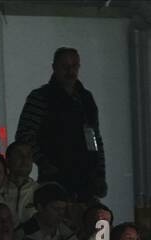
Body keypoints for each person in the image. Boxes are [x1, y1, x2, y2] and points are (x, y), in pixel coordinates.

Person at [14, 47, 106, 200]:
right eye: (65, 66)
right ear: (54, 67)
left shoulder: (85, 99)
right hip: (56, 180)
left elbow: (94, 137)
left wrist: (99, 172)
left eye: (74, 66)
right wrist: (45, 164)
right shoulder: (41, 98)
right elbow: (24, 136)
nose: (70, 71)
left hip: (86, 180)